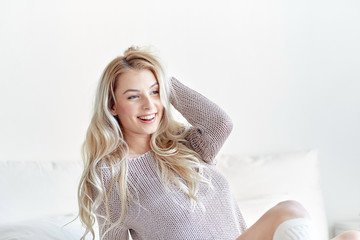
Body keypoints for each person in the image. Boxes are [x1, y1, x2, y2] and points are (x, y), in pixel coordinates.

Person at [78, 46, 360, 240]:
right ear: (112, 105)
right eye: (133, 96)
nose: (149, 104)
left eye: (155, 91)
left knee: (350, 236)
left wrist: (165, 81)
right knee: (290, 210)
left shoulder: (183, 146)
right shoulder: (109, 175)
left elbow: (219, 123)